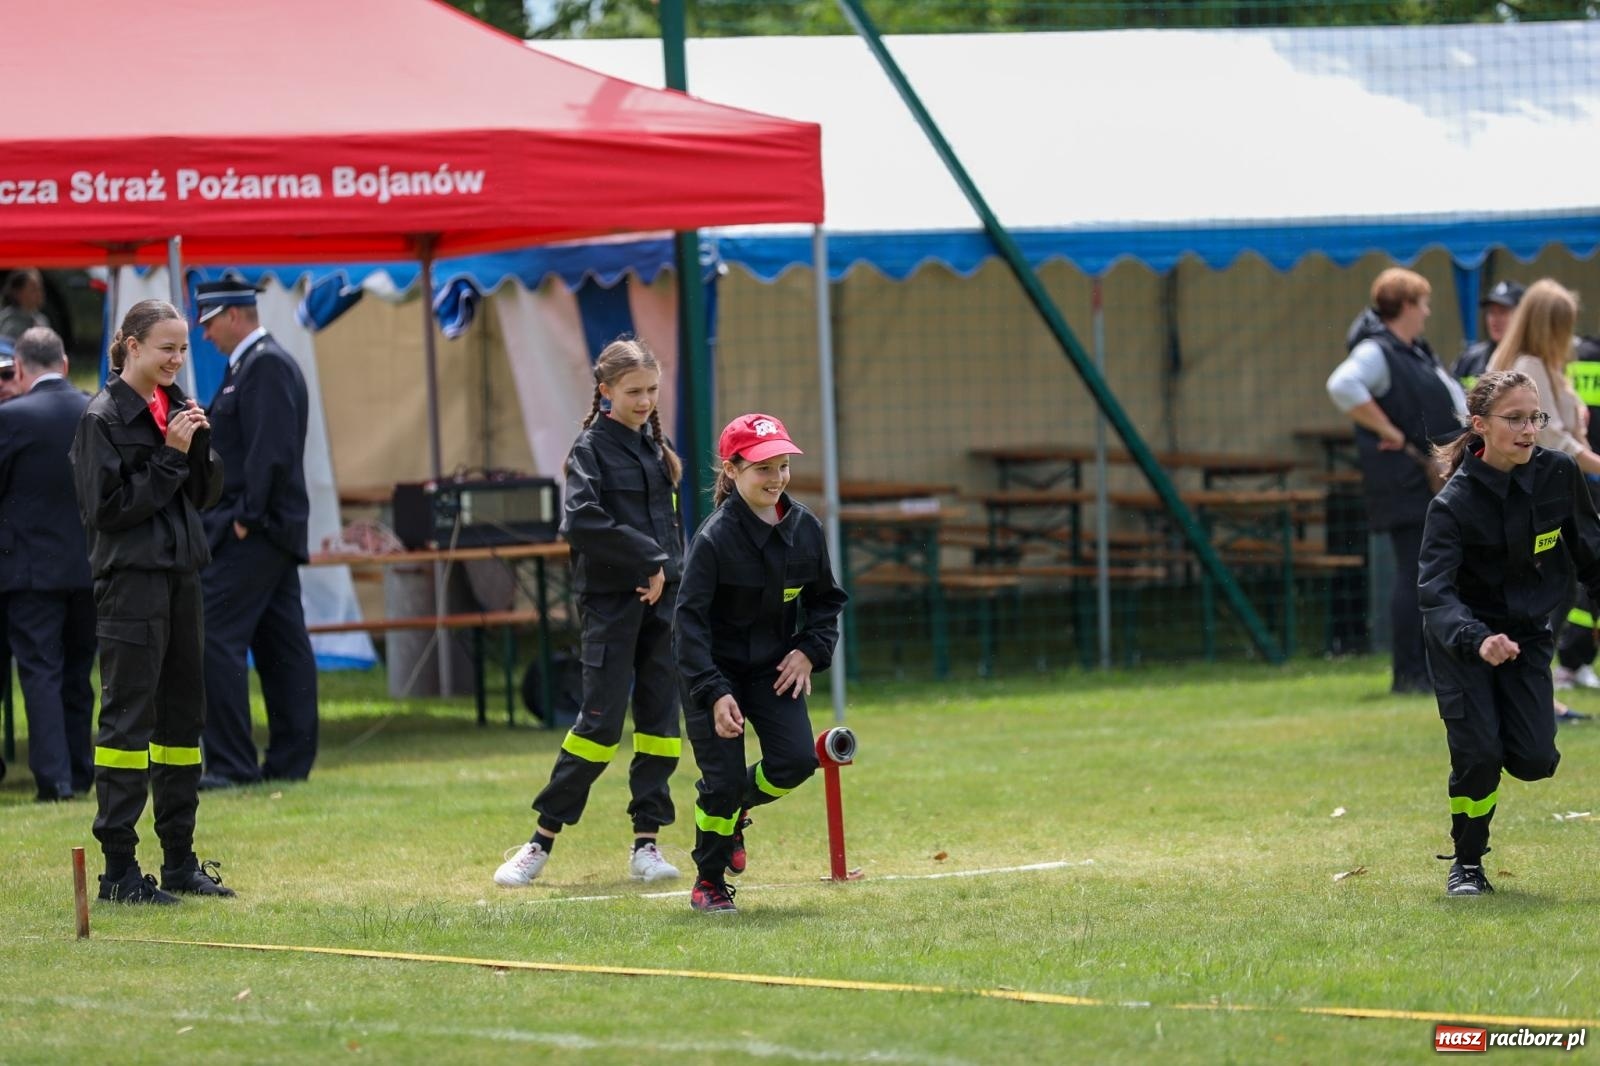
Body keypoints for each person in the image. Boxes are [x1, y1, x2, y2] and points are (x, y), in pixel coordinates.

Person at [495, 339, 687, 887]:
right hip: (611, 606)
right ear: (605, 392)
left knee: (660, 729)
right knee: (598, 728)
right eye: (634, 392)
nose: (646, 401)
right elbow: (579, 522)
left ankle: (647, 844)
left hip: (665, 605)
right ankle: (539, 842)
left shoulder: (657, 448)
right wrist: (646, 560)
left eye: (652, 390)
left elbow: (672, 532)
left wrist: (674, 575)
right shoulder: (589, 449)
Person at [69, 299, 234, 903]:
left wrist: (197, 447)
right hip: (131, 585)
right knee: (126, 726)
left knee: (182, 722)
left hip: (182, 576)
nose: (176, 359)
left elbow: (204, 494)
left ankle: (180, 862)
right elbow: (106, 510)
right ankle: (118, 872)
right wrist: (167, 454)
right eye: (166, 347)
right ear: (132, 346)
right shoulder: (102, 418)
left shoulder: (177, 404)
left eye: (183, 348)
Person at [1419, 370, 1600, 896]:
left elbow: (1592, 555)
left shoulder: (1557, 475)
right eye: (1515, 419)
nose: (1529, 430)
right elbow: (1436, 593)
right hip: (1464, 644)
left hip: (1527, 638)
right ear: (1480, 425)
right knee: (1479, 754)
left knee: (1535, 759)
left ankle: (1510, 751)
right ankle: (1468, 863)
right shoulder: (1451, 505)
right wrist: (1477, 638)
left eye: (1535, 418)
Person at [673, 413, 848, 913]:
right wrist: (712, 690)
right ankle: (708, 880)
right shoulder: (713, 541)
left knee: (795, 762)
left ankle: (739, 806)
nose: (775, 479)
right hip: (712, 674)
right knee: (721, 783)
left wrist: (809, 651)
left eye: (782, 466)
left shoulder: (805, 529)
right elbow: (687, 625)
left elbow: (826, 602)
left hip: (772, 671)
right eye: (761, 469)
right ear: (732, 471)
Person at [194, 279, 318, 789]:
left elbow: (272, 452)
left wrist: (246, 517)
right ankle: (289, 761)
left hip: (256, 529)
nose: (203, 335)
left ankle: (230, 764)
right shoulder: (249, 364)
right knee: (280, 643)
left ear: (235, 315)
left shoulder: (262, 364)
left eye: (208, 322)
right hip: (267, 528)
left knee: (214, 639)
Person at [1328, 268, 1468, 694]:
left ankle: (1428, 667)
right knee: (1415, 573)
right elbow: (1342, 385)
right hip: (1407, 481)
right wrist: (1387, 429)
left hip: (1429, 479)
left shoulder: (1413, 350)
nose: (1427, 312)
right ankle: (1410, 674)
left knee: (1427, 572)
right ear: (1406, 305)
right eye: (1423, 303)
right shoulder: (1377, 351)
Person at [1484, 279, 1599, 722]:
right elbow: (1554, 439)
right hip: (1539, 497)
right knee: (1551, 592)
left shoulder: (1534, 365)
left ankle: (1537, 693)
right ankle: (1534, 697)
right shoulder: (1528, 365)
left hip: (1546, 494)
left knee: (1552, 591)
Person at [0, 327, 96, 801]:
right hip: (90, 566)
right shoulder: (95, 409)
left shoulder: (11, 417)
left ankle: (54, 779)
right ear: (63, 362)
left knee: (40, 671)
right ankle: (81, 771)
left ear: (18, 368)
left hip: (31, 571)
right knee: (80, 673)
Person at [1451, 279, 1525, 388]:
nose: (1495, 319)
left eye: (1502, 312)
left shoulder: (1530, 360)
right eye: (1491, 312)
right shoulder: (1471, 358)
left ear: (1521, 316)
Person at [0, 269, 49, 344]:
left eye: (40, 288)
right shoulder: (8, 323)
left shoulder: (41, 320)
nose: (39, 293)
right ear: (17, 293)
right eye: (33, 289)